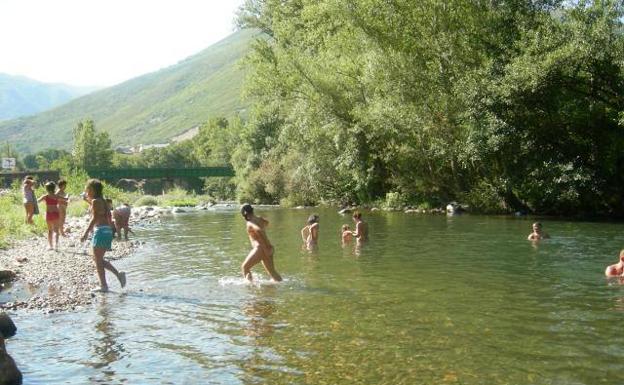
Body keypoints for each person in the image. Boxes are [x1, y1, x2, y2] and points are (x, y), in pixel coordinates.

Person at [80, 179, 126, 292]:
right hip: (107, 231)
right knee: (97, 259)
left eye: (87, 188)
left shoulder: (96, 201)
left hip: (100, 231)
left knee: (97, 259)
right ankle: (117, 275)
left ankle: (104, 286)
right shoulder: (103, 200)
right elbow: (98, 208)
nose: (86, 190)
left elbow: (95, 217)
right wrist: (87, 200)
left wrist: (85, 232)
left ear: (93, 190)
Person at [240, 204, 282, 282]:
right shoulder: (259, 219)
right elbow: (267, 223)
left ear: (244, 213)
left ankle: (250, 287)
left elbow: (259, 230)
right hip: (267, 249)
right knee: (272, 273)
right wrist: (268, 245)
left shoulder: (250, 222)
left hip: (259, 249)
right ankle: (281, 286)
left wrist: (267, 244)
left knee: (245, 267)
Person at [37, 181, 67, 251]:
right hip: (56, 213)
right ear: (54, 188)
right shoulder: (56, 196)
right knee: (56, 230)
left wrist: (44, 200)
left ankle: (50, 246)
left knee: (50, 230)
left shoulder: (45, 196)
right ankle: (56, 246)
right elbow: (65, 199)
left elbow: (37, 201)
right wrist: (67, 196)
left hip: (48, 214)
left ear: (46, 189)